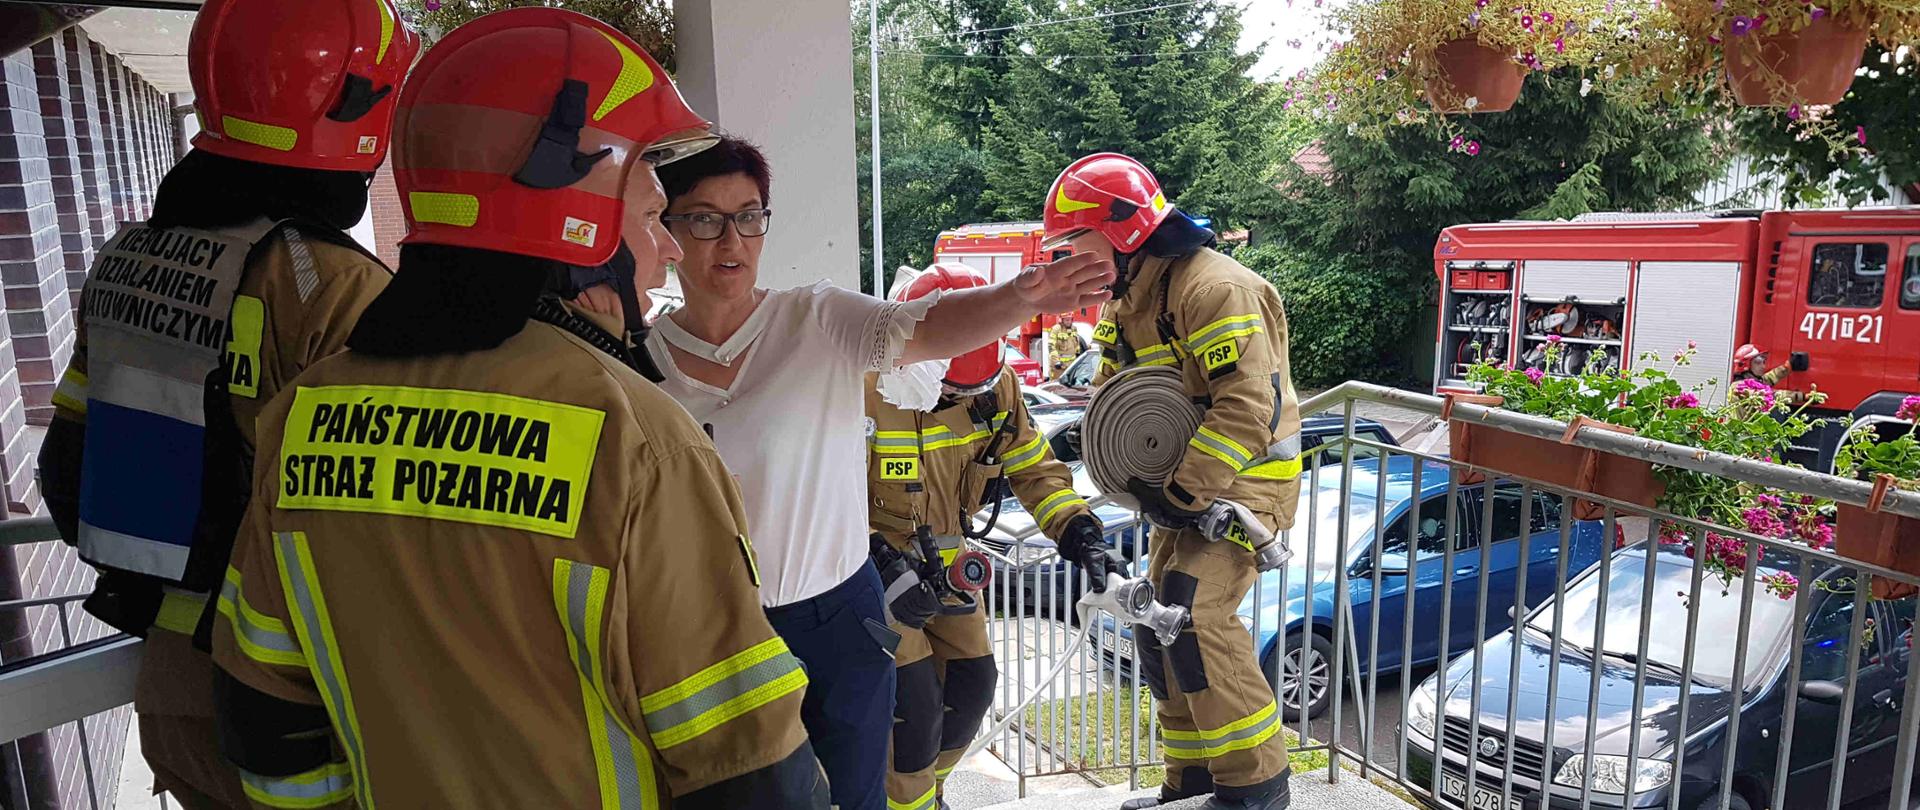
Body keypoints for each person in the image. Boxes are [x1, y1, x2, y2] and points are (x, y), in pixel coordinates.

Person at [206, 10, 825, 807]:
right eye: (650, 217)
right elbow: (751, 772)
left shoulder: (300, 418)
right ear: (576, 227)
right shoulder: (640, 445)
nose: (671, 247)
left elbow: (264, 721)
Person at [644, 136, 1113, 810]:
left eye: (749, 216)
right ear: (666, 227)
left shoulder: (814, 318)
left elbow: (919, 326)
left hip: (836, 614)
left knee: (866, 782)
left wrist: (1018, 297)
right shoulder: (641, 360)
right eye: (704, 217)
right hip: (715, 622)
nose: (732, 239)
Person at [35, 1, 417, 805]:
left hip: (173, 685)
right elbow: (392, 543)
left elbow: (75, 452)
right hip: (300, 708)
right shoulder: (336, 290)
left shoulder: (127, 256)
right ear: (350, 109)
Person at [1046, 154, 1302, 810]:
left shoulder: (1214, 289)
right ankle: (1192, 780)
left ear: (1123, 231)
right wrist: (1075, 441)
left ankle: (1257, 786)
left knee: (1191, 609)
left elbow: (1247, 405)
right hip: (1187, 489)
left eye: (1076, 242)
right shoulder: (1130, 301)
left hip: (1246, 484)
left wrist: (1184, 493)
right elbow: (1115, 402)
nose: (1069, 258)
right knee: (1154, 619)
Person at [866, 264, 1123, 810]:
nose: (958, 403)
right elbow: (818, 492)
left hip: (946, 570)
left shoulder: (993, 387)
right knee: (911, 706)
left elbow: (1033, 466)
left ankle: (923, 796)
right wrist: (878, 561)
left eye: (968, 391)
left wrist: (1078, 530)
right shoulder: (861, 388)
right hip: (872, 575)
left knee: (973, 682)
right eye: (948, 391)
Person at [1047, 313, 1085, 378]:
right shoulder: (1056, 329)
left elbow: (1076, 343)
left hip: (1071, 364)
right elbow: (1051, 347)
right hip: (1060, 365)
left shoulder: (1074, 328)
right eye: (1067, 320)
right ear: (1061, 320)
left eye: (1070, 320)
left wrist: (1078, 356)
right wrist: (1056, 362)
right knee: (1057, 384)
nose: (1069, 322)